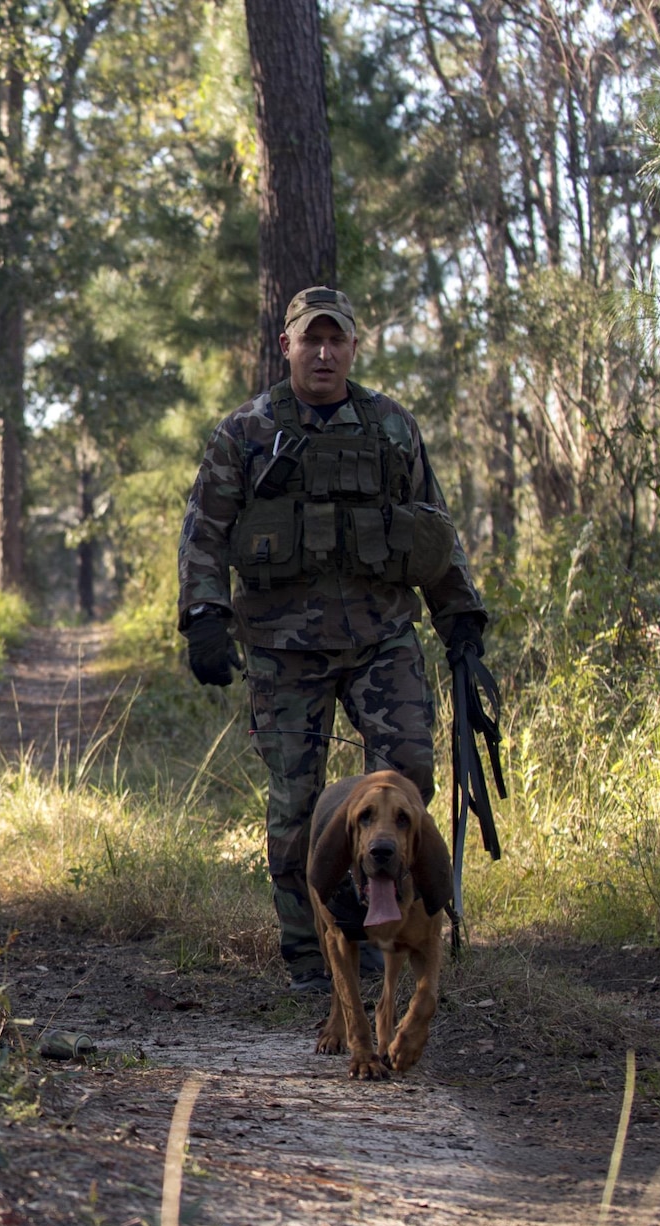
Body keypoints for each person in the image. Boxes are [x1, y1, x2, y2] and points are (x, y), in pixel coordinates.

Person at [176, 286, 486, 993]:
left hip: (381, 638)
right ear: (284, 346)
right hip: (285, 649)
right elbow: (205, 531)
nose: (322, 352)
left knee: (407, 777)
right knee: (296, 802)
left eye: (335, 339)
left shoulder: (390, 429)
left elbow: (433, 531)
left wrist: (459, 615)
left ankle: (388, 928)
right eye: (309, 339)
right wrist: (203, 615)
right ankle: (312, 954)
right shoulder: (246, 433)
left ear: (352, 346)